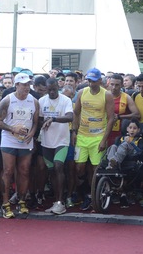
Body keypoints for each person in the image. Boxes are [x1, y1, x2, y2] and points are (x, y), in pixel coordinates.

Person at [0, 72, 39, 218]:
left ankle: (22, 201)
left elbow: (36, 122)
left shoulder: (34, 101)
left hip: (26, 141)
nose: (27, 87)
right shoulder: (7, 100)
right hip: (9, 140)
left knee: (24, 170)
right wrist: (13, 129)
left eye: (28, 84)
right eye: (24, 85)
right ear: (17, 85)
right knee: (8, 171)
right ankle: (5, 203)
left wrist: (32, 133)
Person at [72, 68, 114, 211]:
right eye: (89, 80)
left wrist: (104, 139)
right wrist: (74, 131)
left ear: (100, 81)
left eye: (94, 81)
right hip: (82, 136)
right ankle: (82, 193)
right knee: (79, 168)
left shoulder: (106, 95)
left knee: (96, 169)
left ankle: (93, 196)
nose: (91, 83)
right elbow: (76, 112)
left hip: (98, 136)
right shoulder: (81, 92)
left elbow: (111, 118)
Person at [39, 78, 74, 215]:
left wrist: (53, 119)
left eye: (54, 89)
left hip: (61, 140)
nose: (52, 92)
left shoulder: (66, 100)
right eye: (49, 90)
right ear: (46, 89)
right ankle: (56, 201)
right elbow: (39, 119)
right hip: (46, 141)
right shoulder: (42, 101)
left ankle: (61, 202)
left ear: (58, 88)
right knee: (51, 170)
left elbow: (70, 117)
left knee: (59, 166)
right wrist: (43, 123)